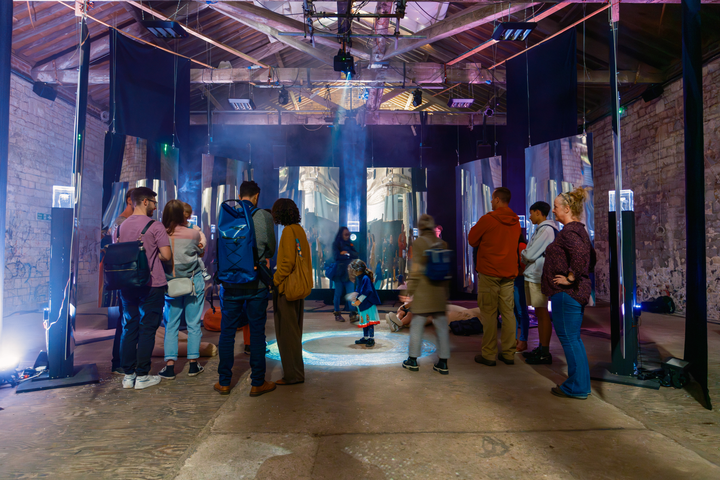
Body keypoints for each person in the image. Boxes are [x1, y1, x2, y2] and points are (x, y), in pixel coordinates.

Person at [215, 181, 277, 397]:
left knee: (227, 332)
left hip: (230, 284)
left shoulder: (228, 215)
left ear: (239, 195)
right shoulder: (263, 216)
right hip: (256, 283)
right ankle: (257, 382)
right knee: (257, 332)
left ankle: (224, 382)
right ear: (257, 196)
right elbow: (270, 249)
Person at [113, 187, 172, 390]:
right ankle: (143, 375)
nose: (156, 207)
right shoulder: (155, 226)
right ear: (145, 202)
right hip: (151, 283)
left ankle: (128, 375)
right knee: (148, 329)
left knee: (129, 327)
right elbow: (166, 255)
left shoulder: (119, 228)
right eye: (154, 203)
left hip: (126, 283)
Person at [542, 188, 595, 399]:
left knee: (570, 339)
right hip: (572, 294)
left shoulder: (569, 232)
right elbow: (591, 257)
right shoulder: (579, 230)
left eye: (555, 207)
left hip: (566, 294)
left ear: (566, 208)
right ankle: (580, 384)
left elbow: (582, 255)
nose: (553, 211)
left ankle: (577, 387)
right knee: (574, 339)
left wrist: (571, 277)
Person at [468, 187, 520, 367]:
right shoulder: (516, 221)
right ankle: (508, 353)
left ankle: (489, 355)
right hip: (509, 273)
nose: (491, 202)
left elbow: (472, 239)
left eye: (492, 199)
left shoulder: (488, 219)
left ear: (497, 200)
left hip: (489, 273)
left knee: (489, 314)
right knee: (508, 313)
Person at [157, 200, 206, 380]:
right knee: (193, 324)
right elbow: (200, 252)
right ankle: (193, 365)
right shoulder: (193, 233)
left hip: (171, 284)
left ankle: (170, 367)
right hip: (193, 283)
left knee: (171, 325)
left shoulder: (160, 234)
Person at [401, 214, 451, 375]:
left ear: (420, 227)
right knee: (442, 327)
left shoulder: (419, 243)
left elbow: (416, 269)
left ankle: (413, 360)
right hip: (439, 292)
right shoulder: (442, 243)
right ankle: (443, 363)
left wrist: (408, 289)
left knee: (417, 325)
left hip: (424, 291)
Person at [271, 198, 311, 385]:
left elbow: (287, 263)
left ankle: (293, 375)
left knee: (286, 334)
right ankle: (297, 373)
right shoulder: (299, 230)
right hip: (299, 288)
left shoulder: (288, 231)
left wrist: (275, 280)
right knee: (295, 332)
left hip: (287, 289)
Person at [521, 201, 558, 365]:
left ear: (538, 212)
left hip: (538, 276)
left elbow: (529, 255)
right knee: (539, 313)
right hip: (534, 274)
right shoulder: (542, 229)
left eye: (531, 213)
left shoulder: (546, 230)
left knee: (542, 314)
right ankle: (542, 348)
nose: (529, 217)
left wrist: (522, 253)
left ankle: (545, 351)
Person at [110, 187, 136, 375]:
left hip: (128, 278)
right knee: (124, 321)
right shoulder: (121, 222)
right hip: (125, 278)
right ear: (129, 201)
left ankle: (122, 361)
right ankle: (119, 362)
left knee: (126, 320)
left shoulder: (124, 222)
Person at [349, 260, 381, 348]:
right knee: (365, 322)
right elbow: (359, 290)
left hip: (368, 305)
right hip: (363, 305)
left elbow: (366, 291)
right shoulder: (360, 278)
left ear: (358, 270)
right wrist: (355, 297)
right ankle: (366, 337)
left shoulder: (365, 278)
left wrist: (358, 301)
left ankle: (371, 338)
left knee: (369, 322)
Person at [331, 227, 359, 322]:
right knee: (338, 294)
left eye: (348, 234)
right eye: (346, 234)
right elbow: (336, 257)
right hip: (339, 273)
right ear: (341, 234)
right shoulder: (336, 244)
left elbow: (355, 254)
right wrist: (345, 255)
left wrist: (345, 253)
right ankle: (337, 314)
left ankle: (352, 314)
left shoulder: (349, 243)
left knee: (351, 294)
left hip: (348, 273)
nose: (348, 236)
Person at [514, 236, 531, 352]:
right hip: (513, 279)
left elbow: (525, 263)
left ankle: (522, 340)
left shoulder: (520, 245)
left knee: (521, 311)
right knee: (514, 311)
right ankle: (515, 339)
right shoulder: (517, 245)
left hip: (519, 279)